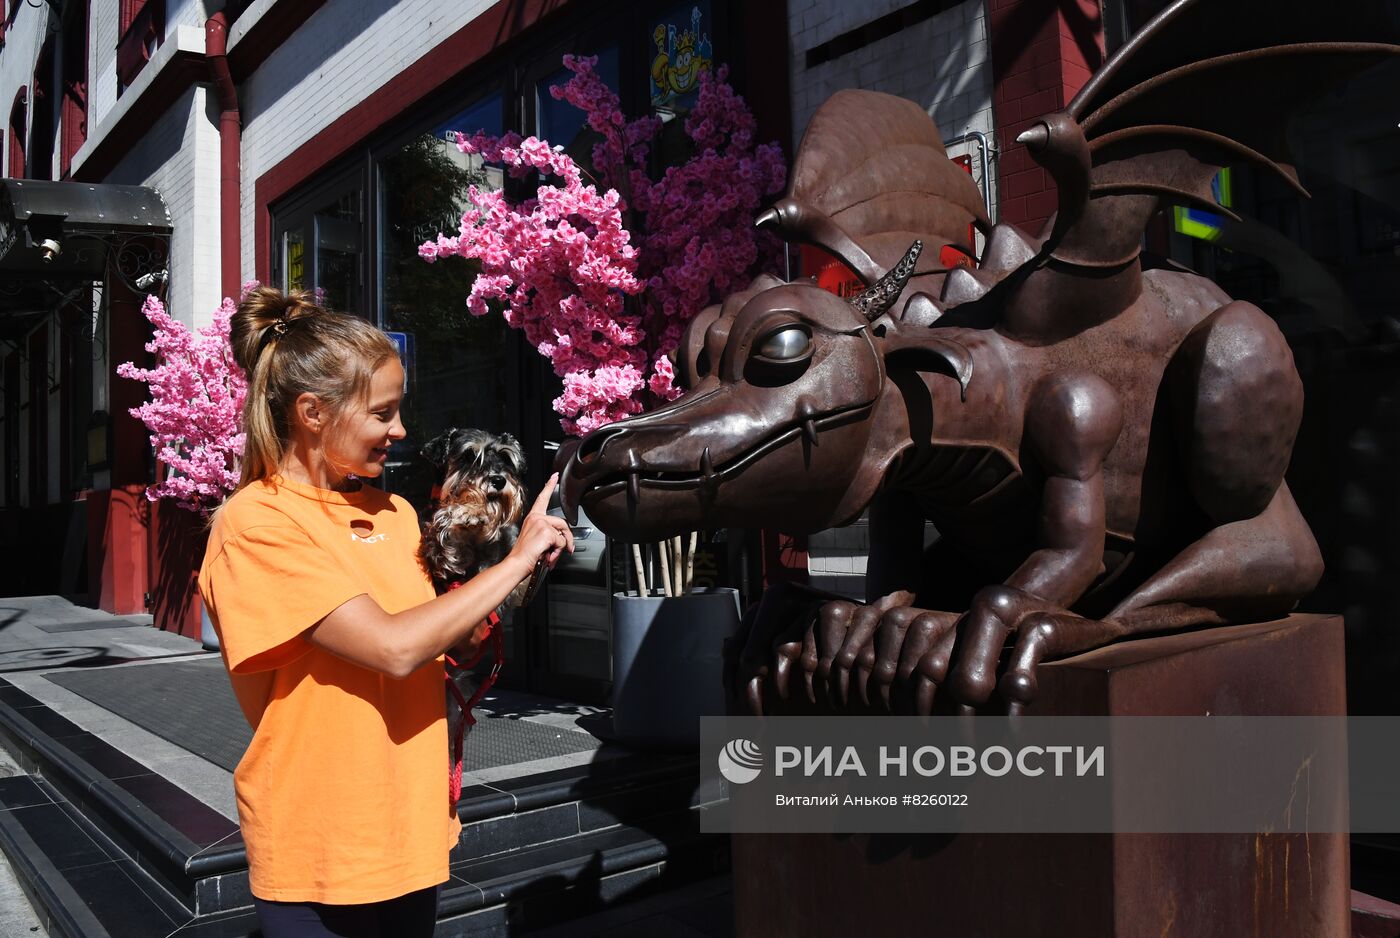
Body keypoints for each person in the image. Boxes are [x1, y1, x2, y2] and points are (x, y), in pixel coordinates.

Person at [197, 287, 572, 938]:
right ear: (313, 412)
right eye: (383, 414)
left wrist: (506, 569)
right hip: (320, 839)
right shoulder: (256, 522)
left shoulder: (394, 514)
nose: (400, 432)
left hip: (408, 826)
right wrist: (513, 565)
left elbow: (442, 646)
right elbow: (392, 647)